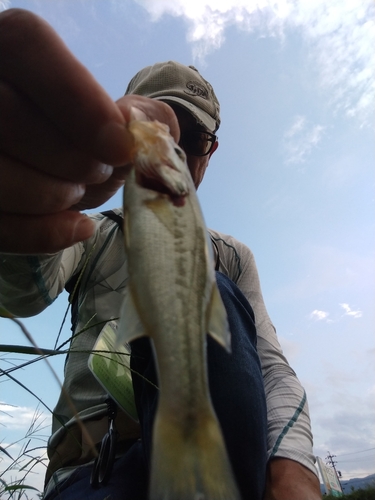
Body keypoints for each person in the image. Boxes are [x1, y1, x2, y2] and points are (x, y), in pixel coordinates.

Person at [0, 8, 322, 500]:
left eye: (190, 140)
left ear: (210, 152)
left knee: (213, 285)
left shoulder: (232, 255)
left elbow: (272, 367)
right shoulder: (91, 230)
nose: (172, 150)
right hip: (94, 472)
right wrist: (33, 200)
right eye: (153, 130)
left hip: (230, 459)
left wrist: (294, 471)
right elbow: (25, 289)